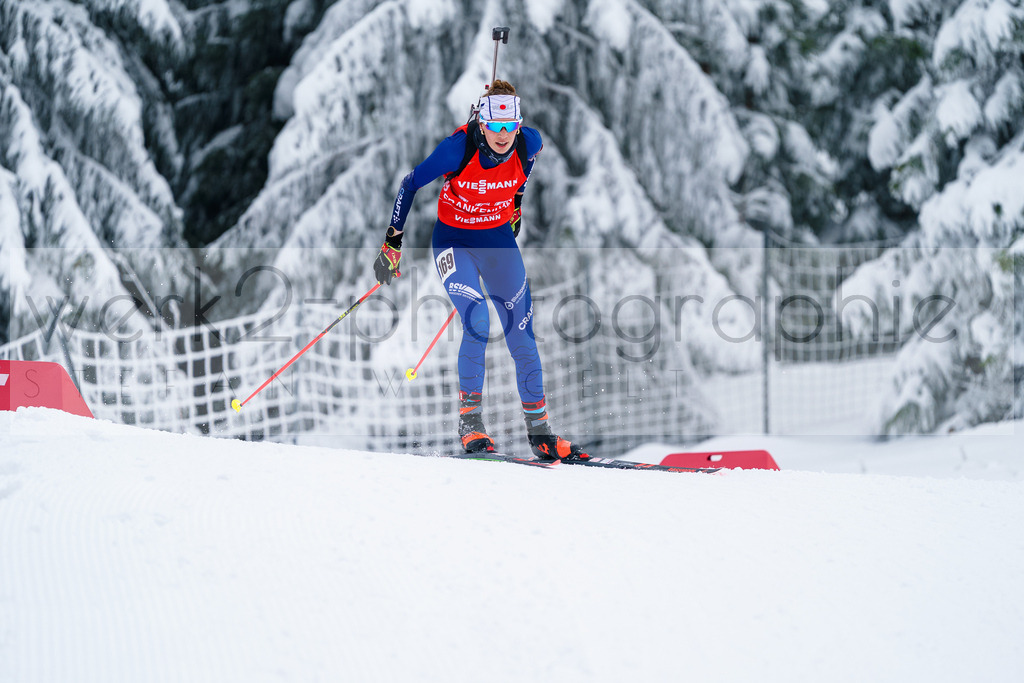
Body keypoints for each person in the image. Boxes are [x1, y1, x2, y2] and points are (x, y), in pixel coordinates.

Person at [372, 80, 588, 462]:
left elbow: (525, 172)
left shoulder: (529, 143)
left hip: (498, 242)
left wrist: (516, 204)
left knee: (521, 331)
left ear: (518, 124)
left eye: (510, 126)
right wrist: (393, 241)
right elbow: (410, 184)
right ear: (481, 122)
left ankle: (540, 434)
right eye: (495, 126)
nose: (503, 135)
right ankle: (470, 425)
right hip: (454, 244)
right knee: (476, 319)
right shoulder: (457, 150)